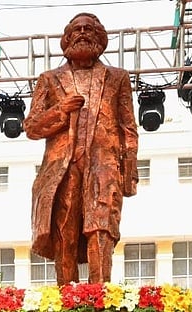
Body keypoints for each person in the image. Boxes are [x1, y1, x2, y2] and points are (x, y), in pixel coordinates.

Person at [24, 12, 138, 285]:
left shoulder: (117, 77)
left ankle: (99, 299)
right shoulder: (49, 79)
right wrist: (60, 110)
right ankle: (67, 300)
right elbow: (31, 127)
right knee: (65, 232)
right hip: (63, 168)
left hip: (104, 166)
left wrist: (129, 174)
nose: (83, 32)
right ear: (67, 38)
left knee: (101, 230)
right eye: (77, 28)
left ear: (100, 37)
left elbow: (128, 128)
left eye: (89, 28)